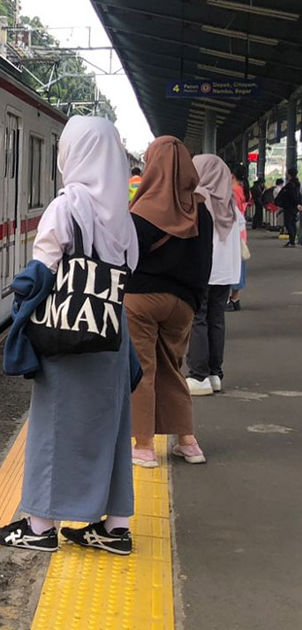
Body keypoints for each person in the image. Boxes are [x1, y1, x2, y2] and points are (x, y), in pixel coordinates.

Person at [0, 117, 140, 555]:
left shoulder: (67, 205)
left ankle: (38, 526)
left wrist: (19, 307)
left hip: (67, 333)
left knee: (53, 428)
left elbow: (41, 272)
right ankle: (115, 527)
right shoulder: (123, 215)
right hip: (111, 334)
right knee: (110, 428)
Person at [126, 137, 212, 467]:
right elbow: (205, 260)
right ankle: (188, 442)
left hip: (141, 300)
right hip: (184, 303)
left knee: (143, 369)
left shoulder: (143, 210)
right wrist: (194, 301)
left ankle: (144, 446)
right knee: (172, 368)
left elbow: (127, 258)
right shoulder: (201, 211)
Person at [185, 156, 244, 395]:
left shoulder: (199, 200)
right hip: (225, 273)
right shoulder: (229, 202)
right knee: (216, 319)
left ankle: (198, 376)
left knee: (198, 318)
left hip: (204, 270)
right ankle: (214, 373)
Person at [229, 169, 250, 311]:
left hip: (234, 232)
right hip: (242, 233)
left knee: (232, 266)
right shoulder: (244, 190)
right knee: (240, 267)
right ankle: (235, 298)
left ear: (232, 176)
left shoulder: (233, 191)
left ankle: (233, 299)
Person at [275, 170, 301, 246]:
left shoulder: (290, 185)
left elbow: (291, 196)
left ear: (289, 175)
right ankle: (292, 240)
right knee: (292, 223)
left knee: (288, 223)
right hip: (294, 207)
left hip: (289, 206)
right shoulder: (297, 184)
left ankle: (292, 240)